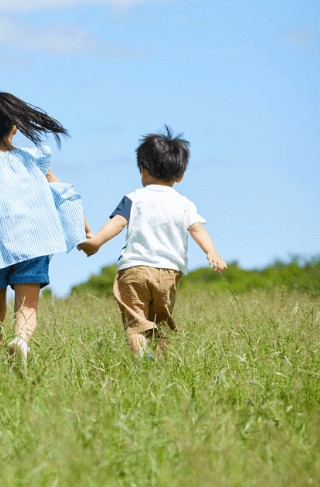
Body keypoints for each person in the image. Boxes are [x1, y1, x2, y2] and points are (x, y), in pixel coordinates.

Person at [0, 91, 90, 369]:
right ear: (15, 127)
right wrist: (85, 227)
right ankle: (21, 342)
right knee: (26, 308)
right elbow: (63, 192)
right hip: (34, 243)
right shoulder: (34, 158)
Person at [78, 126, 226, 359]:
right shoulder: (184, 203)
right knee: (162, 321)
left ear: (142, 169)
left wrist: (96, 242)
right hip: (168, 272)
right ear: (180, 175)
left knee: (136, 321)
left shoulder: (134, 198)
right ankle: (161, 363)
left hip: (134, 269)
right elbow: (197, 229)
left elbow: (118, 223)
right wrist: (212, 253)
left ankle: (140, 359)